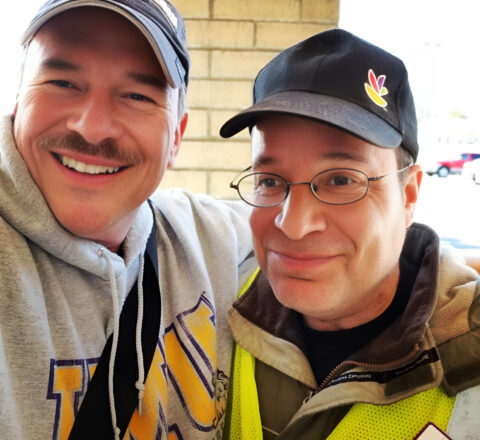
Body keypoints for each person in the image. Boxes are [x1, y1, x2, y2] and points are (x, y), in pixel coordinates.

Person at [0, 1, 255, 439]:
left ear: (176, 137)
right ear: (18, 101)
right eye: (62, 81)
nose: (93, 127)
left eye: (137, 95)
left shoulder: (205, 236)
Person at [219, 29, 480, 439]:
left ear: (408, 195)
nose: (294, 223)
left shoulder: (469, 357)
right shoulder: (215, 309)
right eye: (269, 180)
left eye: (341, 179)